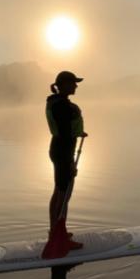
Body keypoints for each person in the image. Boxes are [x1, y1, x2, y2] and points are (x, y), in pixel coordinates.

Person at [46, 70, 88, 249]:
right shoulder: (61, 105)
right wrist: (70, 162)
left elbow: (67, 129)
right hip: (63, 151)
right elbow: (64, 134)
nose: (76, 86)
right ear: (63, 85)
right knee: (64, 195)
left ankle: (56, 231)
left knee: (59, 191)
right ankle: (59, 238)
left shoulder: (56, 102)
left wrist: (79, 132)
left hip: (58, 149)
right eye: (73, 83)